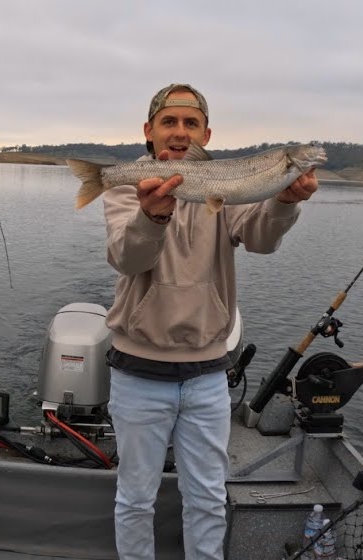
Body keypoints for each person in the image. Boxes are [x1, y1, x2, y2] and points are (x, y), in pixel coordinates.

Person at [103, 83, 317, 560]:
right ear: (149, 130)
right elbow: (126, 258)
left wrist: (284, 203)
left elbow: (259, 238)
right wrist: (150, 218)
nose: (180, 132)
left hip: (206, 377)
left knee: (207, 499)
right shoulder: (127, 183)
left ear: (206, 132)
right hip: (138, 372)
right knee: (135, 499)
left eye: (190, 123)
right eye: (169, 122)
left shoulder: (225, 181)